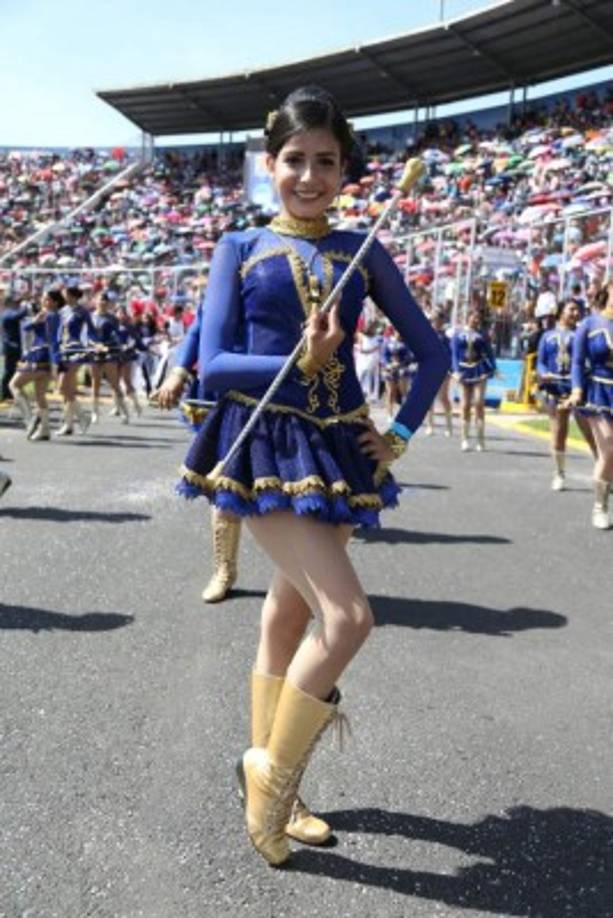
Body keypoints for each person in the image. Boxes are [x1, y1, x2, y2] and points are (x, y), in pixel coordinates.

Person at [178, 86, 449, 867]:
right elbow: (214, 363)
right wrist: (302, 360)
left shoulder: (364, 250)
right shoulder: (238, 246)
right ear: (269, 164)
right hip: (263, 445)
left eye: (325, 162)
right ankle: (269, 780)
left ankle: (274, 784)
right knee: (349, 618)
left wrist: (397, 435)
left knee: (285, 615)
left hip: (336, 452)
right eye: (294, 159)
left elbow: (433, 353)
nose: (308, 176)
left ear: (343, 169)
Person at [156, 306, 242, 604]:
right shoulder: (231, 277)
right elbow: (200, 326)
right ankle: (224, 570)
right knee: (225, 481)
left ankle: (298, 583)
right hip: (227, 387)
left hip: (285, 388)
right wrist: (178, 372)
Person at [536, 300, 596, 490]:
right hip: (555, 388)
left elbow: (589, 361)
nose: (576, 313)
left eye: (578, 310)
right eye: (571, 309)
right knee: (559, 432)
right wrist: (543, 373)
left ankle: (604, 470)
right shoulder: (547, 336)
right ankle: (559, 473)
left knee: (591, 432)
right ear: (561, 312)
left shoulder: (582, 335)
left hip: (578, 388)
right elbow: (540, 361)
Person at [568, 281, 613, 529]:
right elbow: (577, 361)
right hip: (600, 391)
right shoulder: (589, 323)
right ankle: (600, 506)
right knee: (609, 448)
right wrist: (577, 389)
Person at [9, 291, 62, 442]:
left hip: (40, 354)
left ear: (55, 302)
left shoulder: (50, 316)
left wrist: (55, 363)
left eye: (47, 299)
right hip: (45, 355)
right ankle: (44, 429)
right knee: (40, 395)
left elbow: (52, 340)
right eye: (43, 298)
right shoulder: (51, 315)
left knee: (14, 384)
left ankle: (30, 417)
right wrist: (35, 320)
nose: (43, 301)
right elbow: (27, 327)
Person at [451, 309, 496, 451]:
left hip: (479, 369)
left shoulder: (483, 335)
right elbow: (454, 354)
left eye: (478, 318)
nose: (476, 320)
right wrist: (456, 371)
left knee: (479, 402)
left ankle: (480, 439)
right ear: (468, 317)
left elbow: (489, 352)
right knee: (465, 404)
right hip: (464, 369)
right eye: (474, 317)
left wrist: (493, 368)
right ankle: (464, 438)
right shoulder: (458, 334)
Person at [56, 285, 96, 436]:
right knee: (66, 389)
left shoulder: (82, 312)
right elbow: (58, 332)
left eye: (65, 294)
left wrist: (93, 345)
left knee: (63, 387)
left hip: (77, 351)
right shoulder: (62, 311)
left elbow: (91, 331)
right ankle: (70, 424)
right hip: (63, 350)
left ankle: (81, 417)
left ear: (72, 296)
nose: (63, 296)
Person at [90, 293, 129, 425]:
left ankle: (124, 411)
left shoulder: (112, 318)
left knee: (114, 382)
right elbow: (88, 335)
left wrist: (110, 346)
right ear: (95, 301)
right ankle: (95, 412)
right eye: (100, 300)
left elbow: (116, 335)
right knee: (95, 383)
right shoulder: (91, 317)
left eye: (105, 301)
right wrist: (94, 345)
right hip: (94, 351)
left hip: (109, 351)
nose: (103, 303)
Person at [425, 310, 453, 436]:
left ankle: (449, 425)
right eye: (433, 319)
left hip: (442, 370)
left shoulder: (445, 338)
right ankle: (430, 425)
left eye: (437, 319)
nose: (435, 322)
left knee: (443, 397)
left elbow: (449, 354)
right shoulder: (426, 335)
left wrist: (448, 368)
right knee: (429, 398)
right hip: (428, 369)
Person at [0, 294, 27, 402]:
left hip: (13, 346)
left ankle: (9, 393)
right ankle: (5, 393)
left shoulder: (8, 312)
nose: (17, 304)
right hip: (11, 347)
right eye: (15, 302)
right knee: (9, 371)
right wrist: (26, 304)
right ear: (8, 303)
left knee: (13, 370)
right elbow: (21, 314)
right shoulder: (7, 313)